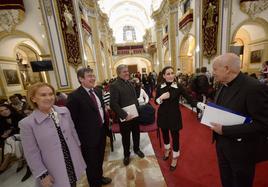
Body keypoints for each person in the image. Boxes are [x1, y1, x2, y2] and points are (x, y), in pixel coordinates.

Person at [210, 53, 268, 187]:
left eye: (215, 69)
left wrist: (225, 130)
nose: (213, 73)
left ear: (227, 69)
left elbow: (263, 125)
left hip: (242, 151)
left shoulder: (253, 87)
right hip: (222, 145)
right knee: (226, 180)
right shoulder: (222, 84)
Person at [19, 82, 86, 187]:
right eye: (43, 95)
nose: (49, 97)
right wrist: (42, 174)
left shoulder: (64, 111)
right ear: (33, 99)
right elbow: (31, 153)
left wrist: (79, 150)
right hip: (52, 166)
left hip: (72, 159)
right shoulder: (27, 123)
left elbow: (73, 131)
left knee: (73, 183)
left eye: (51, 94)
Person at [66, 68, 112, 187]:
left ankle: (99, 177)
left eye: (93, 75)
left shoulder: (97, 91)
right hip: (87, 138)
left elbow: (100, 109)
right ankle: (94, 183)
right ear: (81, 79)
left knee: (100, 159)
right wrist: (78, 139)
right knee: (91, 163)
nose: (93, 78)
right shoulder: (74, 96)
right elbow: (72, 121)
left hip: (101, 132)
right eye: (89, 76)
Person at [155, 66, 203, 171]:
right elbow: (155, 101)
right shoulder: (160, 86)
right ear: (164, 76)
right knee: (165, 134)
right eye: (168, 74)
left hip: (174, 116)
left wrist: (198, 104)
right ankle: (167, 150)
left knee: (175, 137)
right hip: (163, 115)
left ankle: (175, 157)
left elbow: (189, 98)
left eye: (172, 73)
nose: (171, 75)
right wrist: (161, 98)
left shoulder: (179, 86)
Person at [110, 64, 145, 166]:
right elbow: (113, 103)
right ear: (119, 73)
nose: (127, 73)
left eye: (127, 71)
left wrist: (137, 109)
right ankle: (126, 155)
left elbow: (134, 98)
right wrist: (124, 115)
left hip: (134, 114)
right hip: (125, 117)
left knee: (136, 133)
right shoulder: (114, 85)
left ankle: (137, 149)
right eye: (124, 71)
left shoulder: (129, 83)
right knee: (125, 137)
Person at [0, 104, 24, 173]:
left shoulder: (19, 116)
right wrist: (3, 135)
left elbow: (22, 129)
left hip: (23, 136)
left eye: (6, 109)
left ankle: (4, 163)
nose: (4, 112)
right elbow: (2, 132)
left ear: (10, 109)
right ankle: (20, 162)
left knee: (9, 140)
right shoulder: (1, 120)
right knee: (15, 143)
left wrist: (10, 131)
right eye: (1, 111)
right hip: (13, 140)